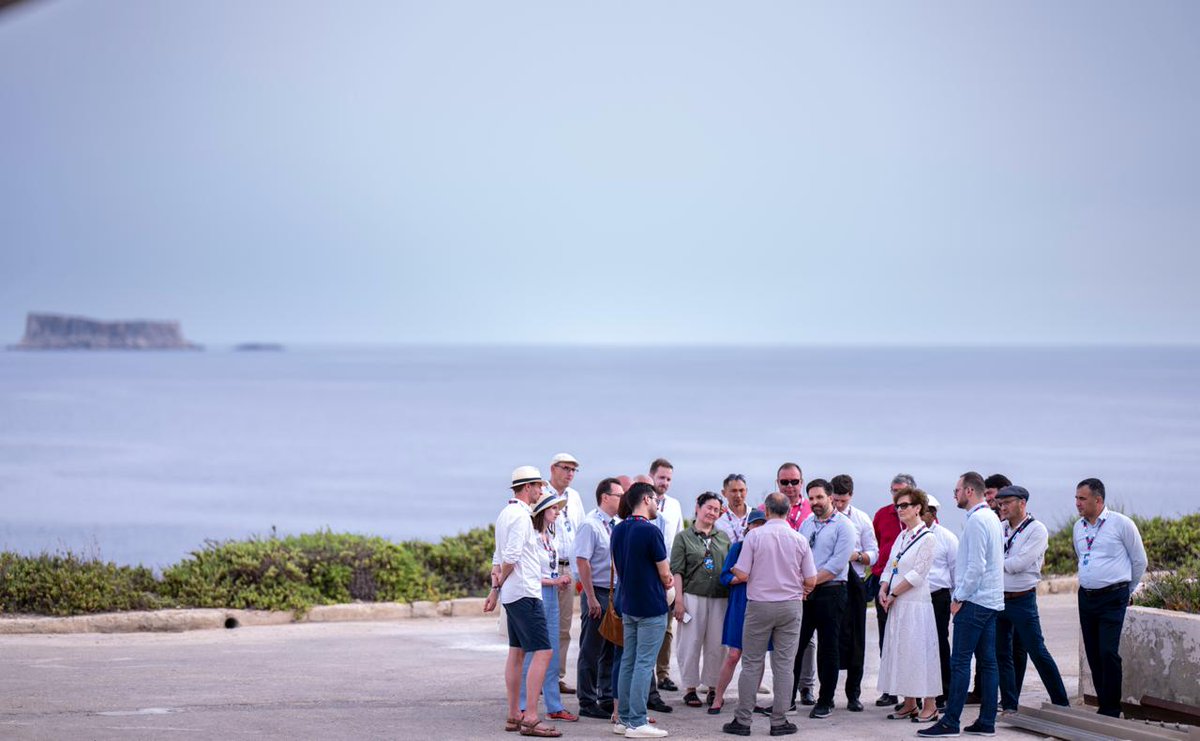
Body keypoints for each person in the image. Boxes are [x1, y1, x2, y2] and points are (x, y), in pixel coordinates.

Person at [722, 492, 817, 737]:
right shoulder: (798, 539)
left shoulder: (754, 536)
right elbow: (811, 579)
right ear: (787, 511)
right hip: (790, 605)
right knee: (784, 665)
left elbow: (742, 574)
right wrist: (802, 588)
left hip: (759, 605)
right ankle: (779, 720)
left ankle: (743, 721)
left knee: (752, 663)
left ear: (766, 512)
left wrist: (736, 569)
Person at [919, 472, 1005, 739]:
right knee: (988, 663)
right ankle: (987, 721)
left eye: (956, 490)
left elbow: (976, 567)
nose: (954, 495)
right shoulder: (990, 518)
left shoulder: (978, 521)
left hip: (975, 602)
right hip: (990, 601)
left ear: (969, 491)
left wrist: (959, 598)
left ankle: (950, 721)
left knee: (960, 663)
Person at [484, 466, 562, 738]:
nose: (541, 490)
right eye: (538, 486)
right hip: (525, 592)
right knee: (543, 651)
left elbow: (498, 554)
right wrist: (498, 585)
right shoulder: (520, 516)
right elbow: (511, 556)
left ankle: (513, 714)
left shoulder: (505, 513)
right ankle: (530, 717)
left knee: (516, 652)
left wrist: (496, 589)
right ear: (527, 487)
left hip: (514, 594)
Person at [1074, 477, 1147, 718]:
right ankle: (1103, 704)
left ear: (1099, 500)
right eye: (1076, 498)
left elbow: (1139, 560)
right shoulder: (1078, 527)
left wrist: (1127, 591)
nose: (1077, 503)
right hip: (1086, 598)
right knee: (1094, 653)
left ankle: (1112, 708)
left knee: (1108, 651)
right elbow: (1082, 557)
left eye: (1082, 498)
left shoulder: (1121, 524)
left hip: (1113, 597)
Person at [994, 485, 1070, 712]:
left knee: (1037, 650)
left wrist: (995, 564)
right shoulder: (1000, 528)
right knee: (1002, 654)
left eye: (1007, 503)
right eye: (1001, 503)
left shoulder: (1036, 530)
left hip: (1022, 599)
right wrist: (1000, 564)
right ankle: (1009, 704)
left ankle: (1061, 703)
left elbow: (1019, 564)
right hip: (999, 598)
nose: (1003, 507)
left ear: (1022, 503)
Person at [611, 481, 673, 738]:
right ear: (646, 499)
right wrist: (668, 583)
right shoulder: (650, 531)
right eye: (656, 500)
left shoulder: (618, 529)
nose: (658, 504)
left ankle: (624, 718)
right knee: (644, 663)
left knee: (629, 660)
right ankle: (637, 721)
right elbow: (665, 574)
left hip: (629, 604)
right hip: (651, 605)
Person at [791, 479, 855, 719]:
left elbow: (838, 564)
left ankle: (825, 700)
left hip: (832, 591)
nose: (815, 502)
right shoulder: (807, 524)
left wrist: (809, 582)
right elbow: (798, 555)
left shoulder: (844, 526)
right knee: (796, 645)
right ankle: (787, 699)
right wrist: (802, 583)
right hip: (807, 592)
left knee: (828, 648)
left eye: (820, 497)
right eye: (812, 498)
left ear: (830, 498)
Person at [877, 487, 941, 724]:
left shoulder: (928, 538)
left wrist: (893, 592)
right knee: (902, 653)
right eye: (898, 506)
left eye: (905, 505)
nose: (900, 510)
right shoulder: (902, 536)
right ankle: (910, 702)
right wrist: (883, 589)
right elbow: (889, 566)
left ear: (918, 508)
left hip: (915, 605)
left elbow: (918, 574)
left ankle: (931, 705)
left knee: (920, 654)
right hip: (897, 603)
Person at [518, 491, 579, 723]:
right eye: (554, 508)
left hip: (552, 593)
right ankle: (523, 704)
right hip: (538, 594)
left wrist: (556, 582)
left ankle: (554, 704)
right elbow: (528, 574)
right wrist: (554, 581)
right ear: (543, 511)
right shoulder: (532, 538)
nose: (558, 512)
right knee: (534, 649)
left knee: (551, 648)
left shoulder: (548, 537)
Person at [670, 491, 731, 709]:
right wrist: (679, 600)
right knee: (690, 642)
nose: (712, 513)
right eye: (709, 508)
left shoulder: (723, 538)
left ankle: (714, 687)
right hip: (692, 595)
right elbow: (677, 570)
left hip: (719, 597)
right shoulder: (684, 537)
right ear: (698, 506)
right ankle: (690, 688)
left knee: (717, 644)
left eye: (716, 510)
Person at [574, 477, 623, 720]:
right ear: (605, 497)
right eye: (619, 495)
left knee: (611, 647)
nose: (622, 499)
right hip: (598, 591)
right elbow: (582, 561)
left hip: (614, 593)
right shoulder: (590, 525)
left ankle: (606, 696)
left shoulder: (617, 523)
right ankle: (586, 699)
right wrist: (590, 596)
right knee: (591, 648)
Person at [711, 508, 768, 715]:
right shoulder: (738, 548)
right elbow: (725, 576)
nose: (759, 528)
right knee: (734, 654)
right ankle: (718, 697)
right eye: (755, 524)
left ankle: (750, 700)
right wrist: (741, 577)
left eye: (763, 524)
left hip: (762, 605)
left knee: (757, 656)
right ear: (748, 527)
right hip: (740, 605)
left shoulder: (770, 548)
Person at [966, 472, 1016, 706]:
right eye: (985, 493)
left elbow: (983, 563)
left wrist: (961, 594)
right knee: (987, 652)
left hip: (1007, 595)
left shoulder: (990, 520)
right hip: (993, 594)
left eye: (991, 494)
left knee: (1007, 652)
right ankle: (982, 694)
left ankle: (1007, 699)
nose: (988, 498)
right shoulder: (990, 518)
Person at [829, 473, 877, 712]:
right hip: (829, 583)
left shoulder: (861, 519)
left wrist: (856, 556)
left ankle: (853, 694)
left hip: (854, 579)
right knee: (830, 637)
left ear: (851, 496)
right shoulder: (821, 518)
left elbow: (873, 553)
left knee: (857, 638)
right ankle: (825, 693)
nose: (838, 505)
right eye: (834, 500)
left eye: (842, 501)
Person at [869, 472, 913, 708]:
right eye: (893, 491)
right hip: (884, 582)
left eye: (900, 491)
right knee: (886, 638)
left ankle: (909, 691)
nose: (896, 496)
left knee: (907, 639)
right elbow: (878, 544)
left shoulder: (922, 516)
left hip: (909, 586)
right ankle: (889, 690)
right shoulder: (882, 514)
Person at [776, 462, 816, 706]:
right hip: (777, 583)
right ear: (777, 483)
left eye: (794, 481)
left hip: (805, 583)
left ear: (801, 482)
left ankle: (806, 686)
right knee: (779, 641)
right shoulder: (768, 507)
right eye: (784, 482)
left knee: (808, 640)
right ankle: (785, 690)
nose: (790, 486)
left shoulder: (813, 508)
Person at [548, 453, 586, 696]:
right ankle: (537, 675)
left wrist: (580, 572)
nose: (570, 473)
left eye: (574, 470)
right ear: (553, 469)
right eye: (566, 468)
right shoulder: (541, 493)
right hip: (547, 567)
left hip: (568, 568)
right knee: (543, 625)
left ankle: (556, 676)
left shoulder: (575, 497)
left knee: (563, 627)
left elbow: (581, 532)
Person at [649, 458, 684, 693]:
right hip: (646, 571)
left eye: (669, 479)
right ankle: (646, 675)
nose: (665, 483)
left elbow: (678, 538)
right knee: (645, 623)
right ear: (652, 476)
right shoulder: (641, 500)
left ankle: (663, 673)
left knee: (666, 626)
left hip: (667, 572)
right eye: (661, 477)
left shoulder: (674, 505)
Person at [922, 494, 959, 711]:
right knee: (918, 646)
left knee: (939, 644)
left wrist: (956, 600)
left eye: (922, 510)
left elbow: (955, 571)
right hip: (917, 599)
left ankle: (944, 691)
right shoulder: (910, 535)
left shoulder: (947, 537)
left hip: (939, 597)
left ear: (933, 513)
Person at [715, 474, 751, 544]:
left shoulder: (754, 515)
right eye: (734, 491)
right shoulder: (718, 518)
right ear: (724, 493)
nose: (738, 495)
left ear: (746, 491)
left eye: (741, 490)